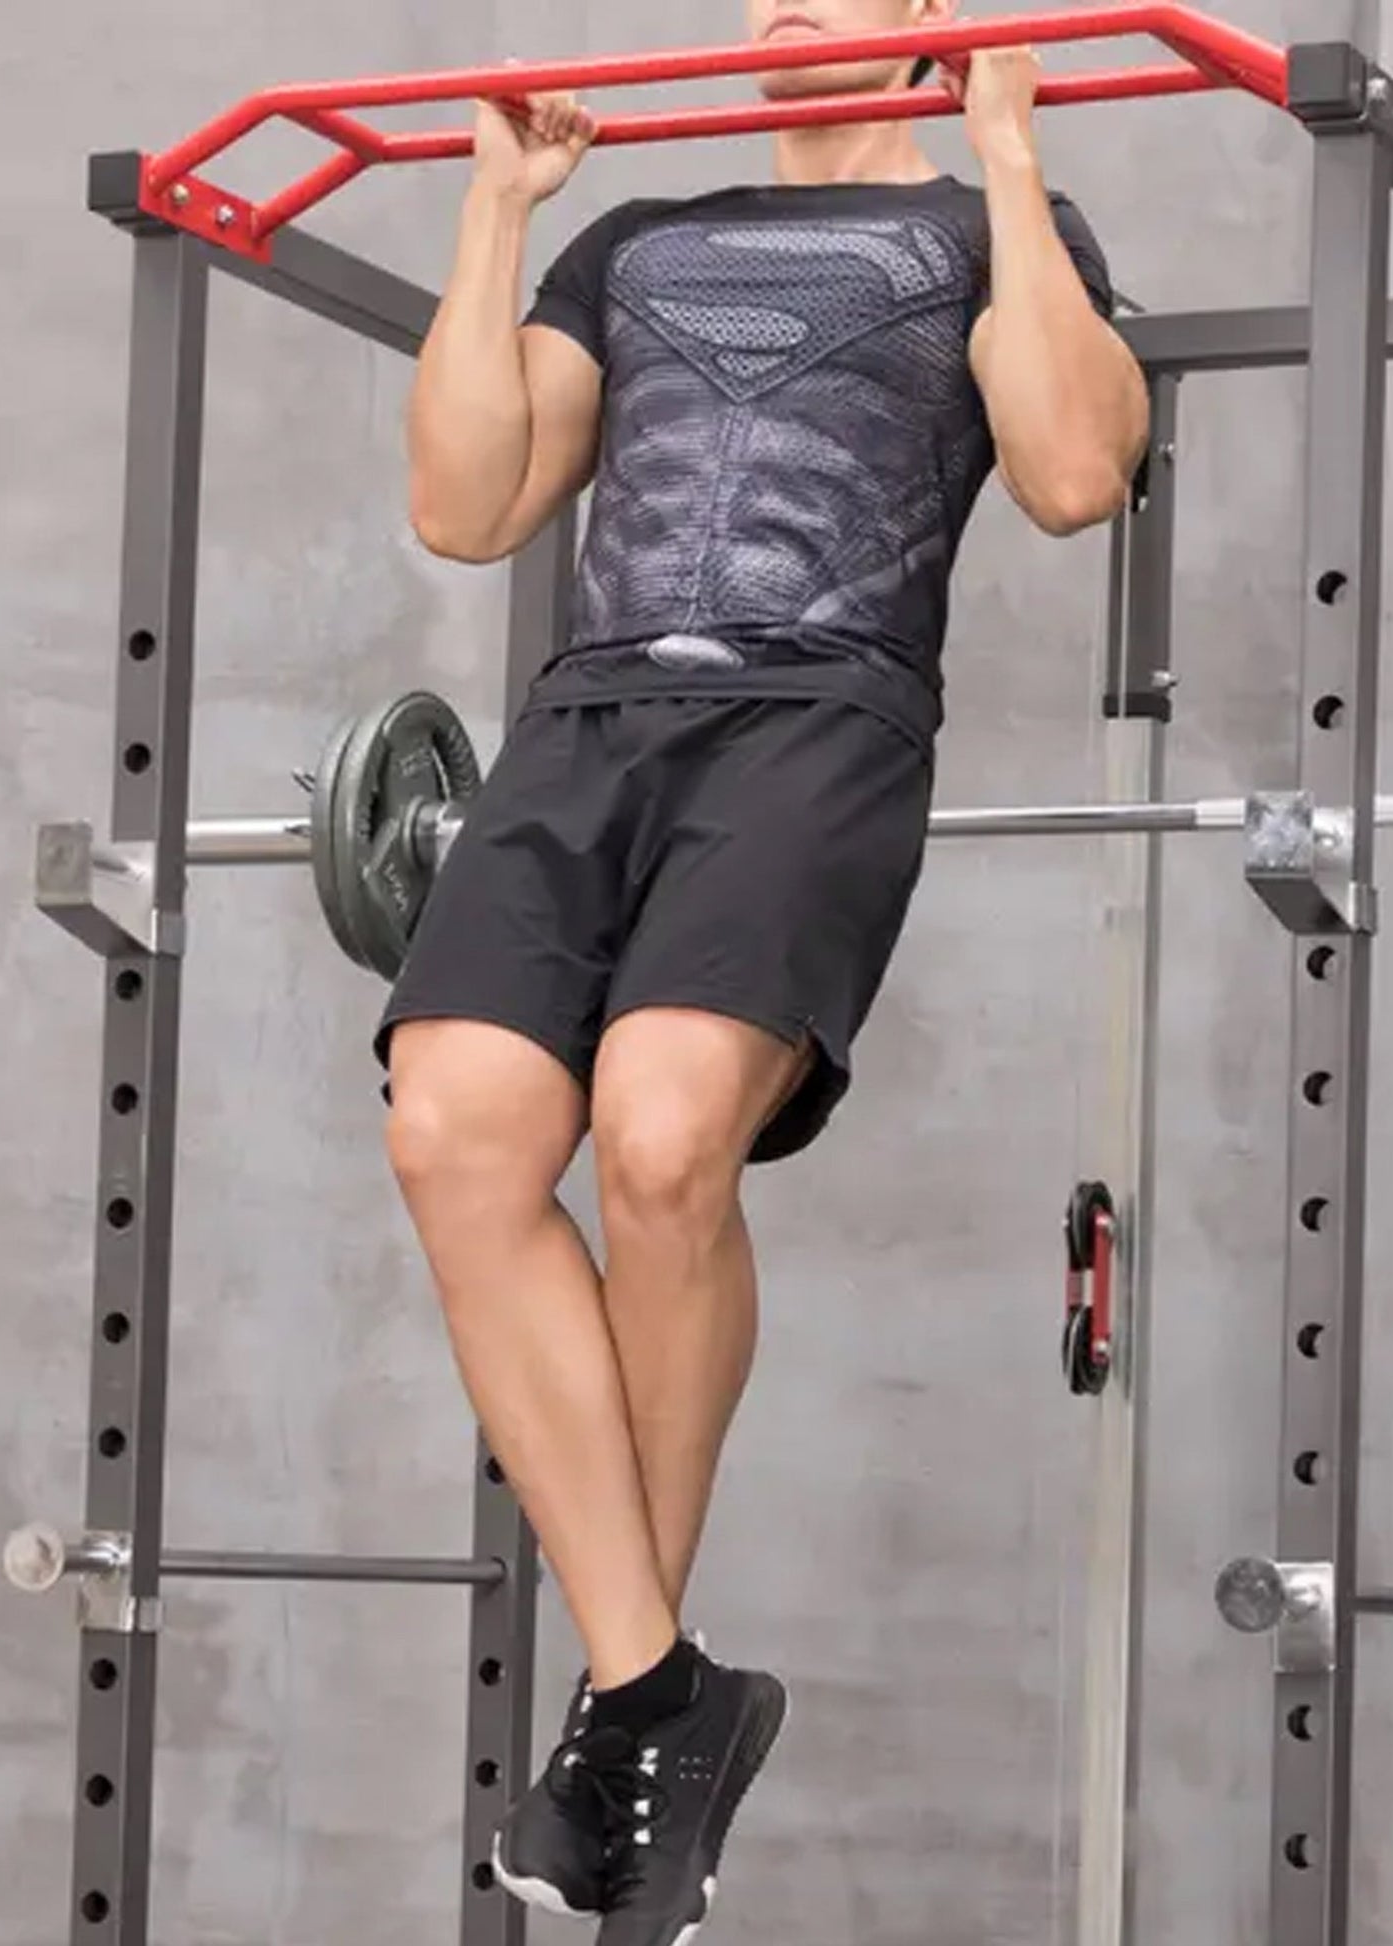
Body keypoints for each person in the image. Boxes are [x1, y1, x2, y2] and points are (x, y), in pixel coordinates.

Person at [380, 2, 1150, 1941]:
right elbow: (465, 507)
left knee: (660, 1141)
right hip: (587, 718)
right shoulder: (636, 239)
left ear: (929, 17)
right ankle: (654, 1691)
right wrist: (496, 206)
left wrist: (1011, 149)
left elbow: (1073, 471)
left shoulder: (985, 230)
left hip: (821, 711)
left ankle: (634, 1709)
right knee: (452, 1129)